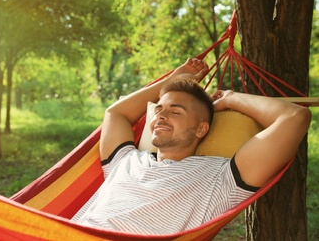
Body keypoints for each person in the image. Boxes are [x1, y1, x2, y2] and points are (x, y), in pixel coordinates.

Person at [72, 58, 312, 234]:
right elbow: (114, 114)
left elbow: (295, 118)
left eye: (175, 111)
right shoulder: (126, 161)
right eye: (159, 110)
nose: (161, 116)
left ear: (201, 129)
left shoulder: (220, 178)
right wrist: (172, 80)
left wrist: (230, 98)